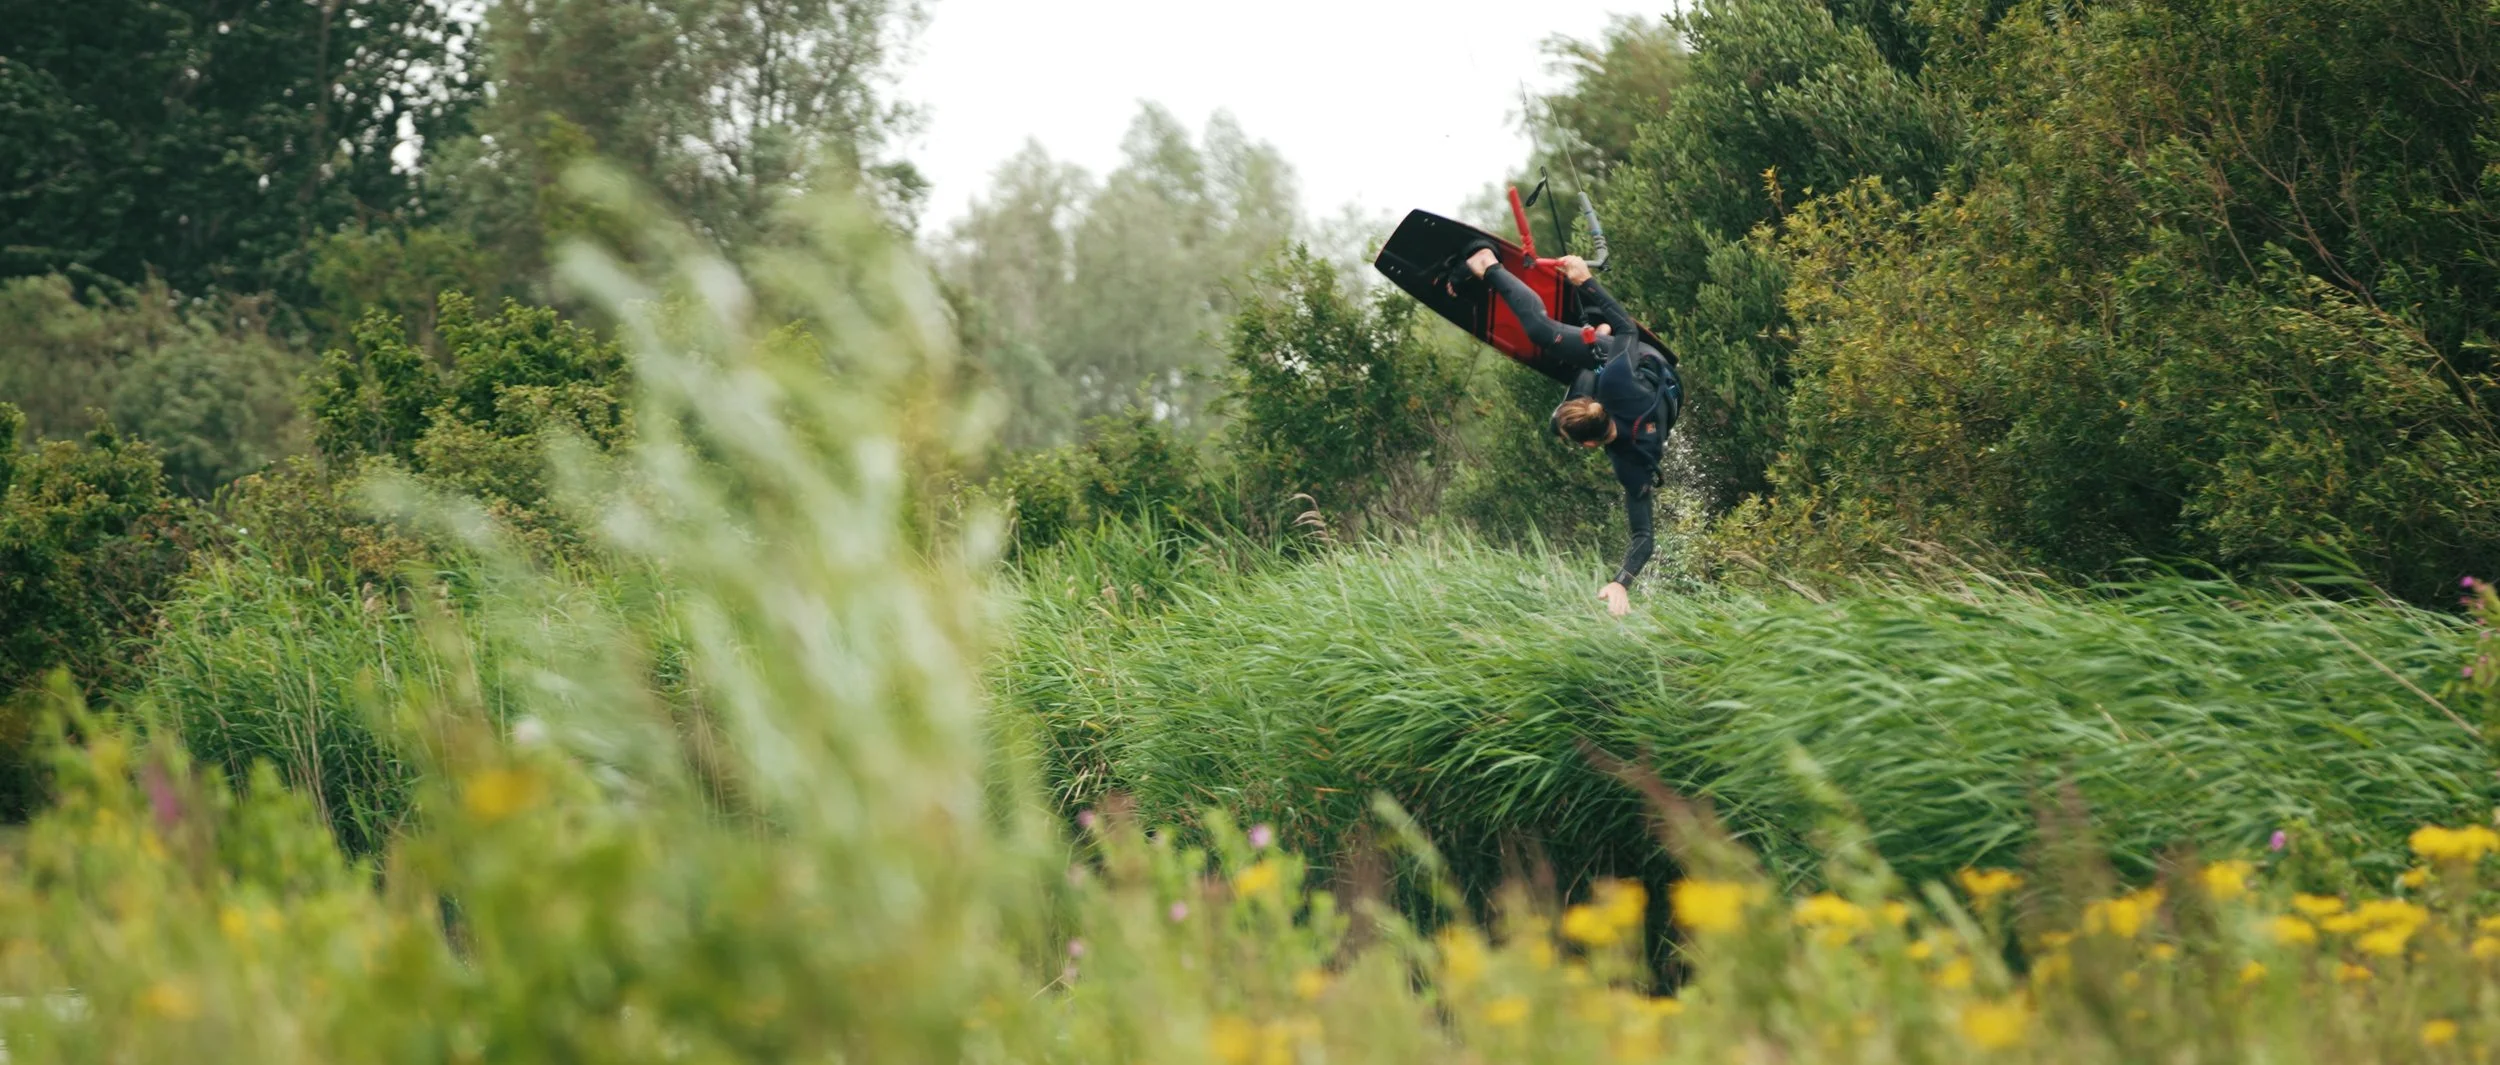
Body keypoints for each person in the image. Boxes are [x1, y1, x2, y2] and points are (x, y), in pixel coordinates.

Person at [1465, 246, 1680, 617]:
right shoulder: (1615, 380)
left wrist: (1621, 582)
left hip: (1658, 398)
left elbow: (1645, 539)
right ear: (1590, 441)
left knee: (1557, 419)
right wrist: (1586, 282)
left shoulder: (1633, 465)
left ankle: (1596, 336)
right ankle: (1489, 266)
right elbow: (1629, 329)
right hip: (1647, 365)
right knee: (1541, 332)